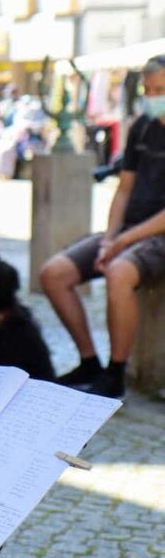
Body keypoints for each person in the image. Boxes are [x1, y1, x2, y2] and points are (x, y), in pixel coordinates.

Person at [39, 55, 165, 398]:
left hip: (156, 237)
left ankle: (115, 372)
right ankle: (89, 360)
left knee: (119, 272)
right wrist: (110, 238)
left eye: (160, 90)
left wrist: (121, 243)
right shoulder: (142, 127)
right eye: (149, 89)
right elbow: (123, 189)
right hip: (126, 231)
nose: (153, 96)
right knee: (53, 273)